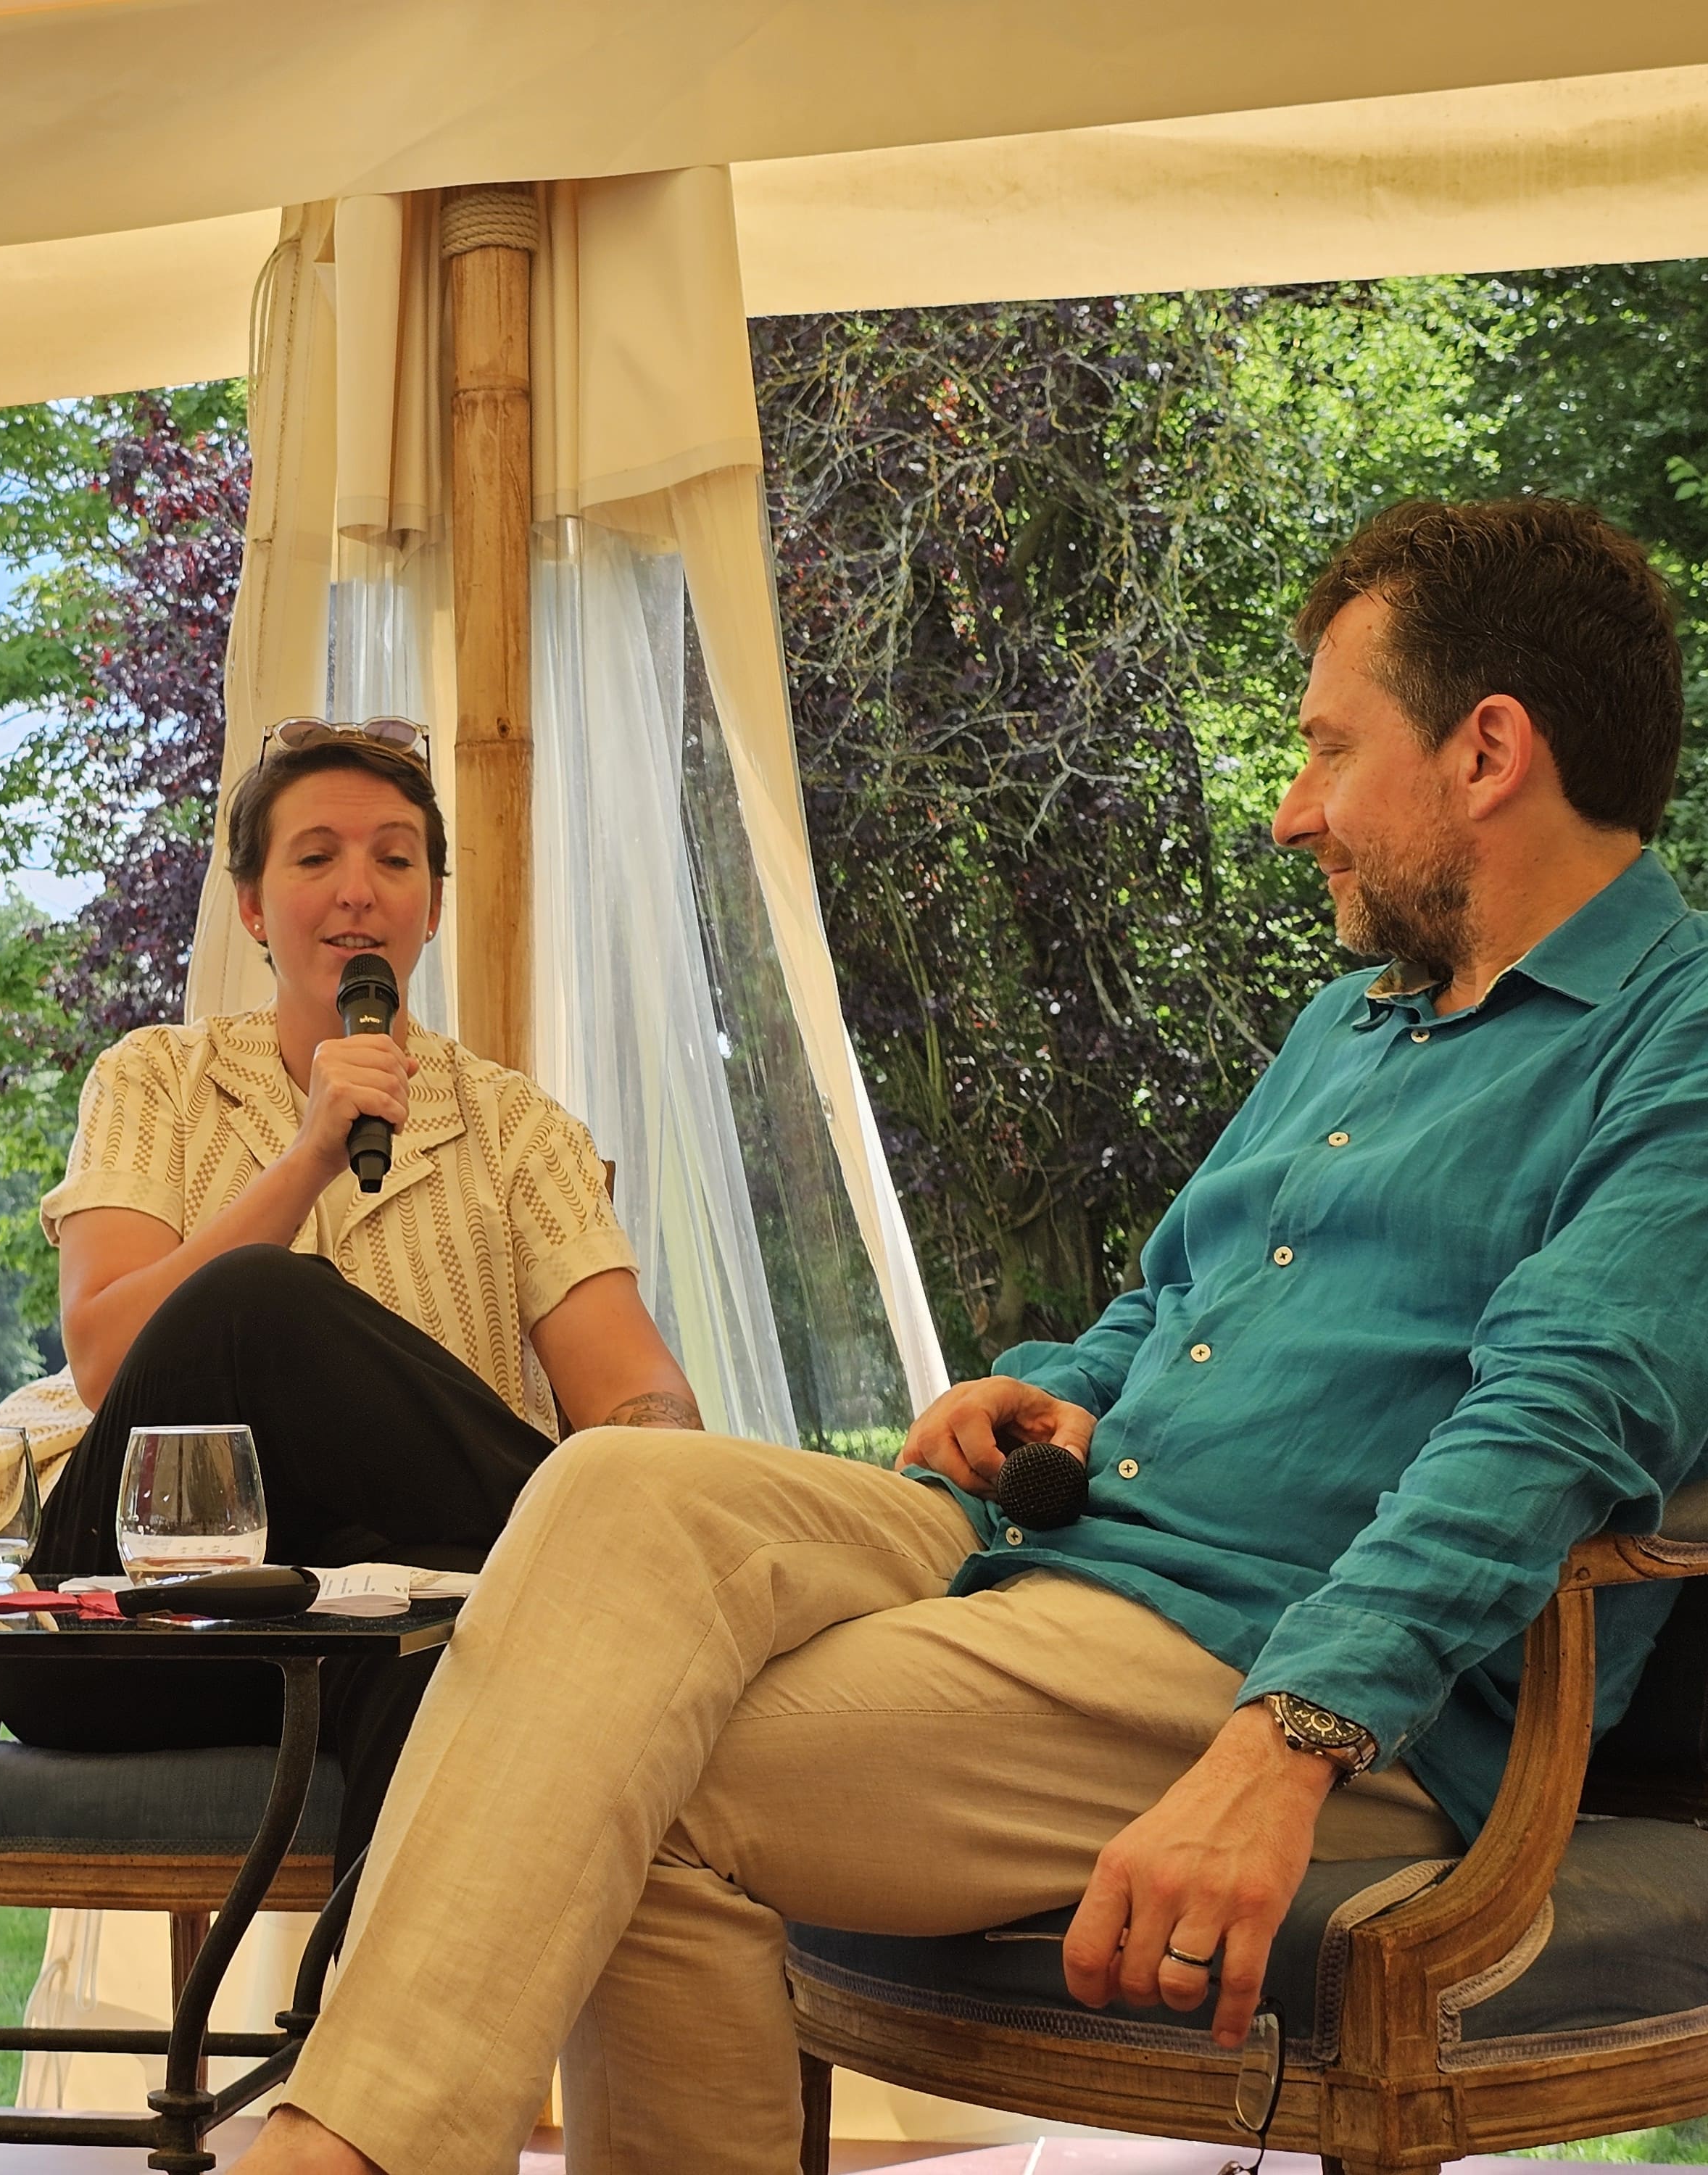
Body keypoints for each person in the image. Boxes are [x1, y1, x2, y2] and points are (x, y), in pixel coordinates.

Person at [229, 496, 1708, 2175]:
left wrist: (1288, 1737)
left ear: (1487, 750)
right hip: (1058, 1553)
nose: (1294, 815)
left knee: (618, 1787)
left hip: (1254, 1645)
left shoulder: (1678, 1045)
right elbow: (1165, 1297)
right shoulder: (1350, 1022)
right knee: (602, 1494)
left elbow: (1556, 1427)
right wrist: (1058, 1396)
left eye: (1325, 748)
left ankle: (329, 2158)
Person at [0, 720, 702, 1873]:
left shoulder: (520, 1131)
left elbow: (643, 1403)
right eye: (316, 857)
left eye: (396, 859)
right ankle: (574, 1568)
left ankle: (345, 2050)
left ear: (431, 906)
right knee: (259, 1300)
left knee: (446, 1684)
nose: (358, 891)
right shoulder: (155, 1080)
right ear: (256, 906)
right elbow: (109, 1361)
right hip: (130, 1625)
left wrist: (649, 1454)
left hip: (387, 1627)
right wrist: (310, 1154)